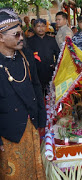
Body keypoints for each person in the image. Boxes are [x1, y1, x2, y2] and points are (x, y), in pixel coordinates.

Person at [0, 8, 46, 179]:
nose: (22, 38)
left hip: (31, 125)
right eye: (16, 35)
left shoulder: (25, 56)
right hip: (8, 131)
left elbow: (36, 86)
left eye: (21, 33)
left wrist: (42, 117)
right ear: (1, 37)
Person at [27, 18, 60, 94]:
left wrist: (55, 65)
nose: (41, 28)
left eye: (43, 26)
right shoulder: (30, 41)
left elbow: (58, 53)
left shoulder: (51, 40)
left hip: (50, 72)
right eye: (38, 26)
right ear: (34, 28)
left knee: (51, 94)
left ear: (46, 27)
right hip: (36, 73)